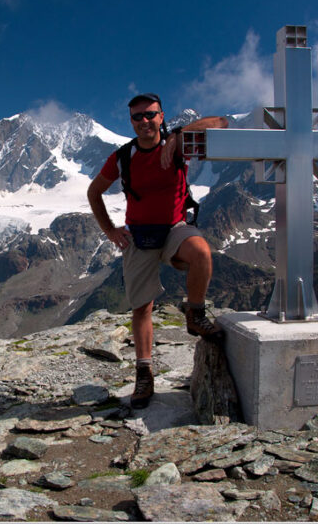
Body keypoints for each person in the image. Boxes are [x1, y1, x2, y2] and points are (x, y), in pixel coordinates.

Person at [87, 92, 228, 409]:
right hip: (138, 236)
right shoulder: (123, 157)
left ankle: (195, 314)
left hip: (175, 227)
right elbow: (94, 191)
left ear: (161, 117)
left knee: (202, 253)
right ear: (132, 122)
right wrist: (110, 230)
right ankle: (144, 373)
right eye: (137, 117)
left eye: (150, 114)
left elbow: (221, 122)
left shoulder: (179, 143)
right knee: (142, 308)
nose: (145, 121)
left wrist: (178, 136)